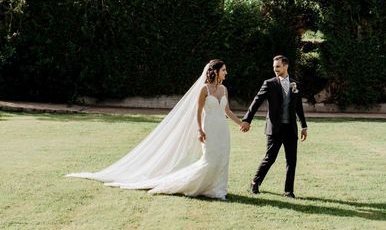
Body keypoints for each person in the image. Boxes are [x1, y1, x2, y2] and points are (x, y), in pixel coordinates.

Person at [67, 60, 242, 200]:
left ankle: (218, 190)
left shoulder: (224, 89)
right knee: (210, 159)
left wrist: (240, 123)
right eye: (224, 70)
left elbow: (227, 111)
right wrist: (199, 130)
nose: (226, 73)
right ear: (215, 71)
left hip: (222, 130)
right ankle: (191, 184)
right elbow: (197, 112)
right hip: (209, 128)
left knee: (222, 158)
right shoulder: (204, 90)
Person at [240, 55, 308, 198]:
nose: (275, 69)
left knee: (292, 160)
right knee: (270, 158)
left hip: (290, 128)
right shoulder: (269, 83)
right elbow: (256, 101)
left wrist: (303, 126)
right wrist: (247, 119)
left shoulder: (295, 84)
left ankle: (288, 191)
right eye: (274, 67)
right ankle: (255, 182)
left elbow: (298, 107)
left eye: (278, 66)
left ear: (286, 66)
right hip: (275, 128)